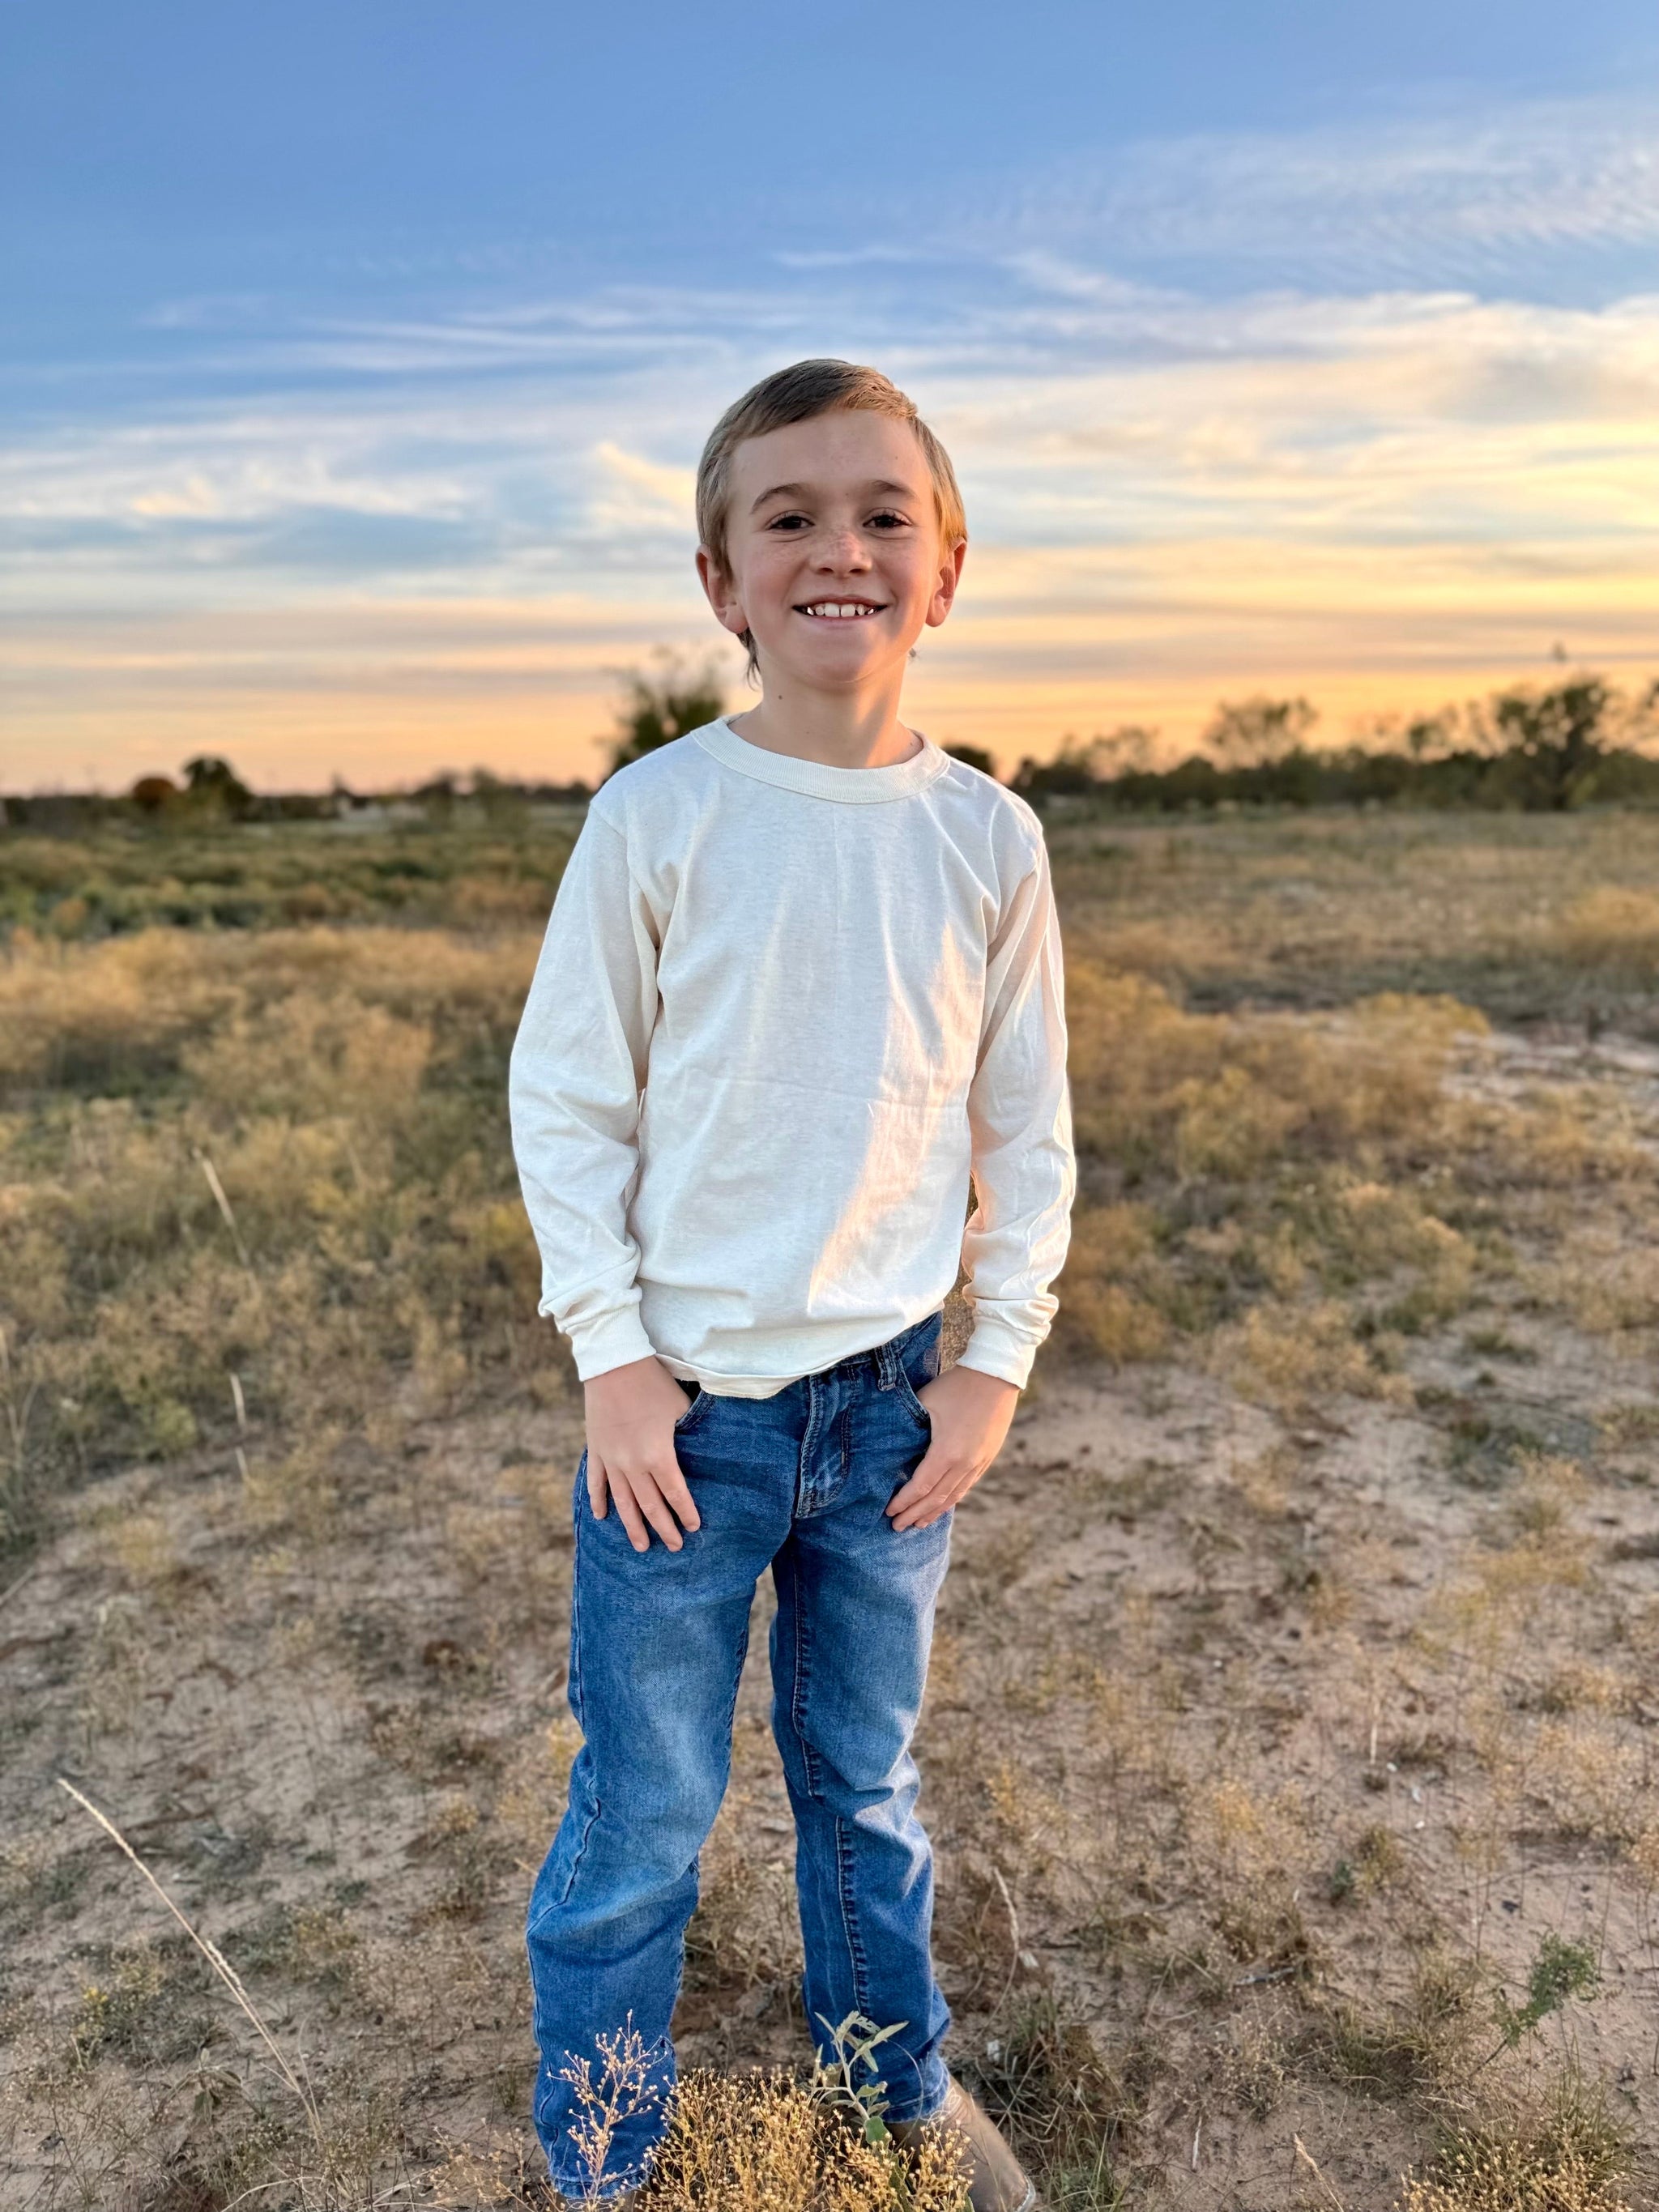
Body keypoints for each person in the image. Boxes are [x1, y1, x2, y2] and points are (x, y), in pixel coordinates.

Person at [509, 357, 1075, 2210]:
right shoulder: (656, 817)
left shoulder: (987, 836)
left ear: (948, 566)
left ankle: (885, 2093)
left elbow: (1026, 1126)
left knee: (865, 1785)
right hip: (688, 1419)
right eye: (788, 517)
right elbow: (569, 1097)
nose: (840, 547)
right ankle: (603, 2147)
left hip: (896, 1406)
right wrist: (610, 1357)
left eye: (881, 515)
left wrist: (990, 1362)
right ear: (720, 582)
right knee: (647, 1811)